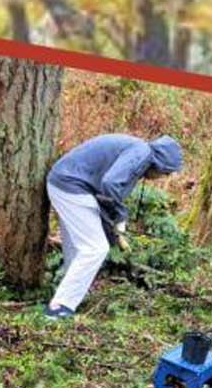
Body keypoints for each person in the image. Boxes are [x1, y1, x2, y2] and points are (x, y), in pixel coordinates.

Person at [43, 133, 184, 319]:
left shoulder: (138, 151)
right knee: (95, 248)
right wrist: (120, 215)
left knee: (78, 248)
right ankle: (59, 307)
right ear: (159, 164)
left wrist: (113, 228)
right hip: (72, 186)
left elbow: (105, 195)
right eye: (165, 173)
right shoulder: (141, 154)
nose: (161, 178)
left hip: (64, 181)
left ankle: (68, 293)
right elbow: (110, 184)